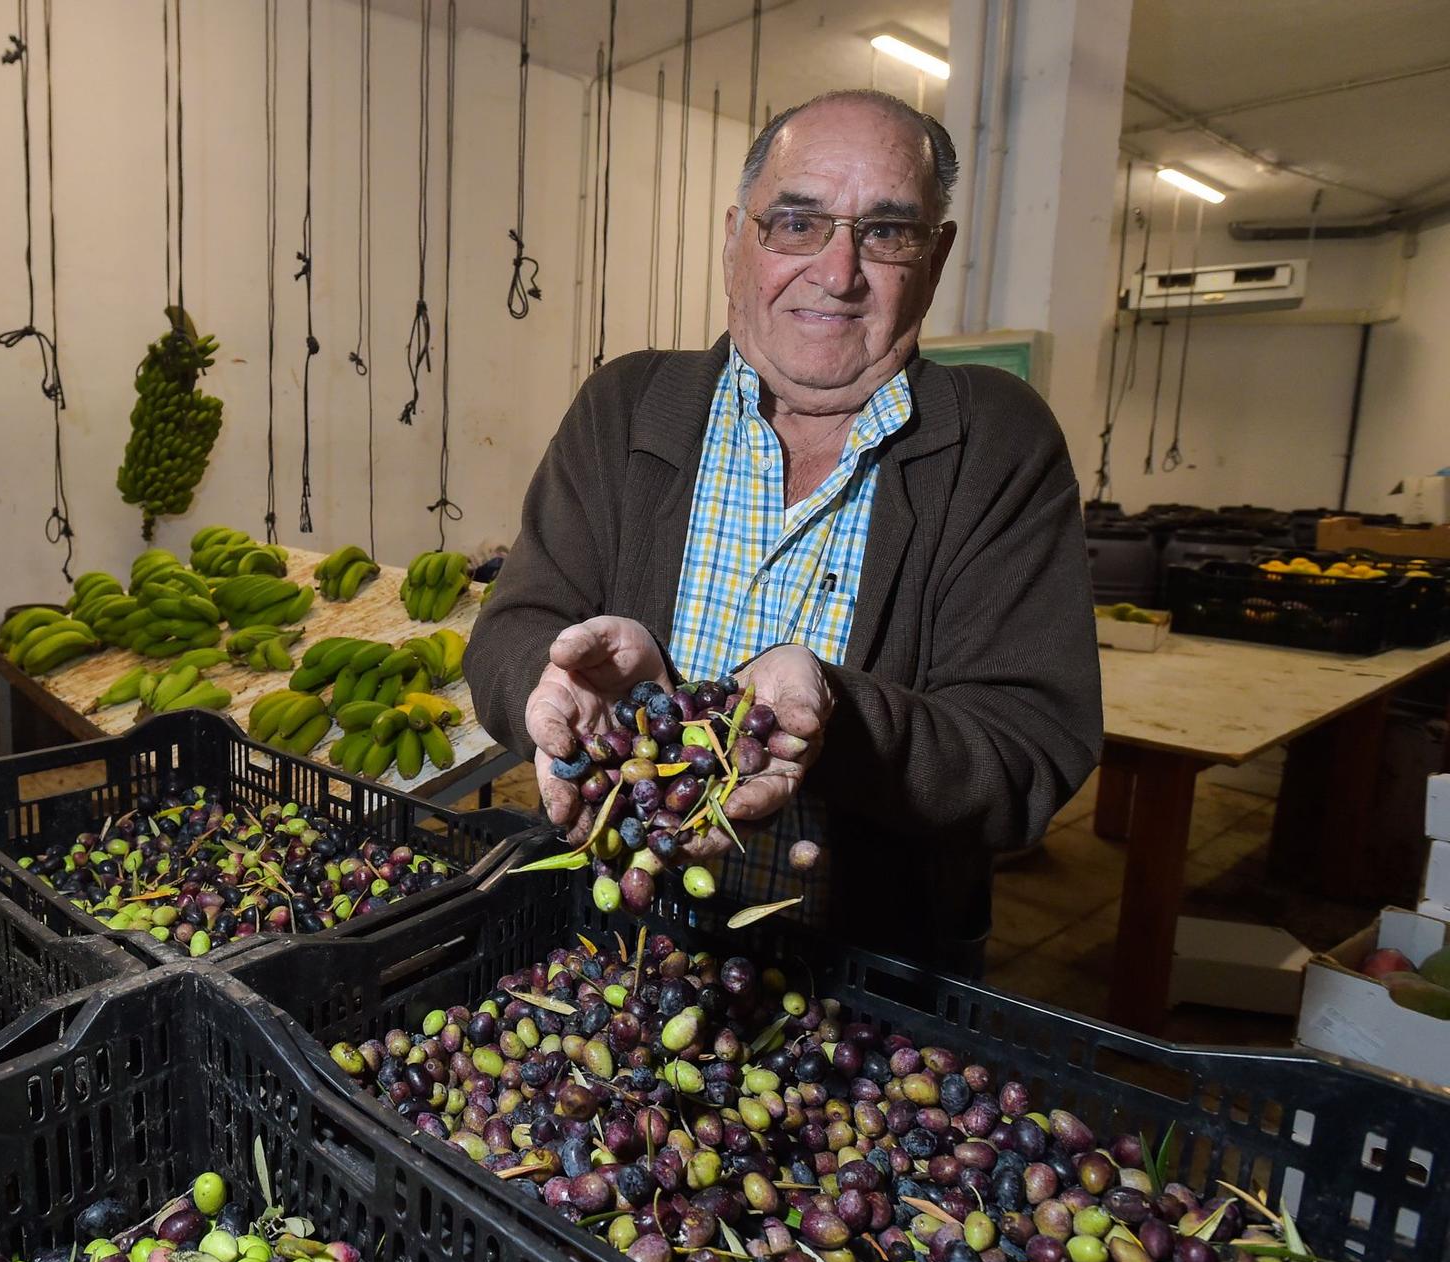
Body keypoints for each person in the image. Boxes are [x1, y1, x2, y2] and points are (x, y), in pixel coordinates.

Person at [466, 89, 1101, 975]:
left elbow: (1030, 753)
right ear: (736, 239)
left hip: (859, 999)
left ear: (937, 255)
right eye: (796, 223)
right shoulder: (628, 407)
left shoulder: (998, 445)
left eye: (885, 232)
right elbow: (510, 628)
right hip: (611, 946)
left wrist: (835, 721)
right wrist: (559, 686)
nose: (838, 273)